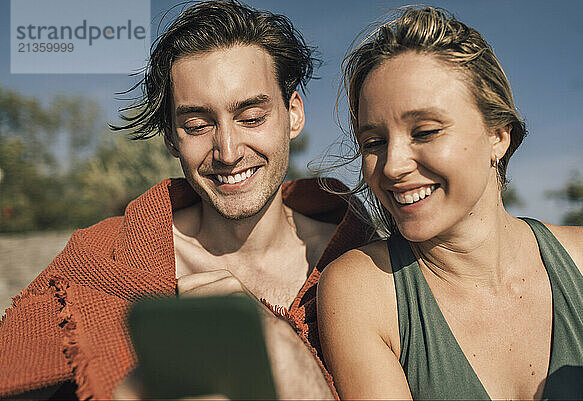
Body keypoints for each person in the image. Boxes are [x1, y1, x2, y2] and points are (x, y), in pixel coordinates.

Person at [0, 1, 374, 399]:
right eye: (197, 125)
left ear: (293, 114)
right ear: (171, 138)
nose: (228, 152)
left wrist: (286, 352)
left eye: (251, 118)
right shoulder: (100, 258)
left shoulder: (364, 259)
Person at [318, 6, 583, 400]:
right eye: (374, 142)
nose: (393, 165)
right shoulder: (363, 290)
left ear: (498, 135)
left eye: (426, 131)